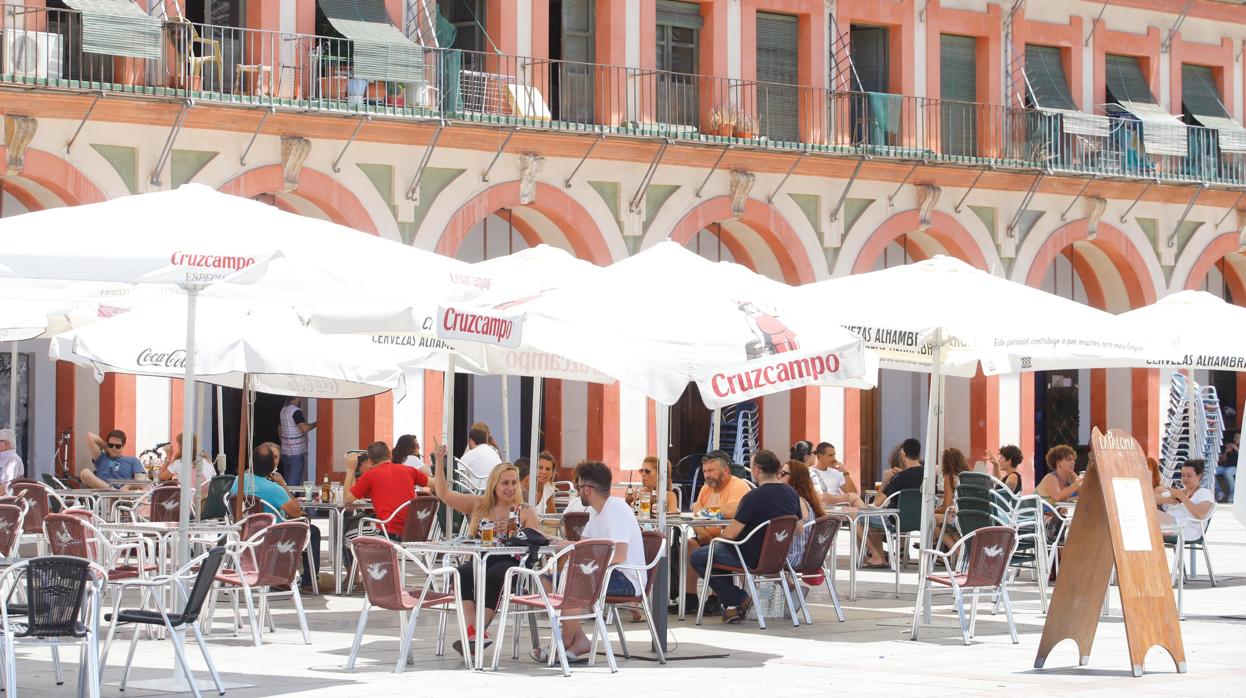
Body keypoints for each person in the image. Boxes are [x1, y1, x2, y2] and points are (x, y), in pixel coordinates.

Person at [532, 460, 645, 663]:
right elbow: (582, 547)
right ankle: (580, 640)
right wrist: (553, 541)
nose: (577, 492)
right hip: (606, 573)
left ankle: (564, 642)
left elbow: (619, 555)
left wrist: (587, 567)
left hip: (626, 578)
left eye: (578, 487)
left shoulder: (616, 509)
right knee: (548, 580)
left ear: (587, 489)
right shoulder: (596, 511)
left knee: (576, 581)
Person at [430, 443, 538, 654]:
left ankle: (477, 633)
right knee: (461, 573)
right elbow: (443, 494)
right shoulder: (479, 504)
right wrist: (440, 462)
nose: (510, 488)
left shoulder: (524, 510)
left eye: (514, 483)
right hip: (481, 560)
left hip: (512, 564)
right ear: (493, 485)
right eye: (505, 483)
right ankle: (474, 634)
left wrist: (515, 533)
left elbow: (536, 539)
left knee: (497, 574)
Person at [689, 449, 801, 623]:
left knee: (699, 556)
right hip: (778, 556)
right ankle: (731, 607)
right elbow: (799, 528)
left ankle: (740, 600)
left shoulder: (753, 497)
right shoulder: (791, 493)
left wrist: (716, 539)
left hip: (749, 556)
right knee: (713, 553)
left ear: (756, 470)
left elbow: (731, 534)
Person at [229, 443, 321, 588]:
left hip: (243, 534)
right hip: (271, 536)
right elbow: (297, 511)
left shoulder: (238, 481)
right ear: (271, 466)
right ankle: (308, 582)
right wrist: (283, 485)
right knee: (313, 531)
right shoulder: (274, 489)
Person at [676, 450, 752, 613]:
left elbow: (733, 510)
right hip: (708, 536)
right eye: (705, 471)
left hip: (733, 540)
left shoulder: (737, 485)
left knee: (714, 548)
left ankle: (715, 598)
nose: (707, 475)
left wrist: (704, 512)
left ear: (726, 470)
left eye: (711, 471)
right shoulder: (706, 488)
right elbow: (695, 514)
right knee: (689, 544)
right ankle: (690, 598)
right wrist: (704, 533)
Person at [345, 440, 429, 538]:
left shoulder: (370, 475)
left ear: (370, 461)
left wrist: (351, 469)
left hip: (387, 533)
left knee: (348, 536)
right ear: (390, 456)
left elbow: (347, 499)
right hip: (412, 534)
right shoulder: (409, 470)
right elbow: (435, 483)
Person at [862, 438, 924, 567]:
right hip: (921, 521)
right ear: (919, 453)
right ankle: (893, 552)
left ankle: (878, 556)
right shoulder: (928, 477)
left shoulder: (900, 477)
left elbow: (877, 503)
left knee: (865, 517)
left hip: (897, 521)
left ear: (903, 453)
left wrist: (885, 480)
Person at [778, 460, 825, 573]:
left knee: (752, 557)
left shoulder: (797, 501)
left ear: (796, 478)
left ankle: (787, 583)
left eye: (783, 473)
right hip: (810, 558)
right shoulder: (807, 500)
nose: (779, 476)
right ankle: (788, 582)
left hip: (794, 558)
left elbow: (790, 531)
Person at [1155, 460, 1215, 543]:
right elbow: (1152, 499)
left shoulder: (1205, 493)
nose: (1185, 478)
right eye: (1183, 475)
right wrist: (1167, 500)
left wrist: (1182, 497)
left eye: (1189, 476)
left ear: (1199, 476)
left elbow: (1201, 514)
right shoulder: (1181, 492)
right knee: (1146, 508)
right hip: (1171, 525)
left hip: (1186, 529)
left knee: (1148, 514)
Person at [82, 430, 147, 489]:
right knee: (85, 472)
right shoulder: (102, 458)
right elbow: (90, 436)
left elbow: (141, 482)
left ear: (123, 446)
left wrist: (129, 485)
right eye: (111, 445)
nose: (114, 448)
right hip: (102, 494)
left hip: (122, 494)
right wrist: (107, 448)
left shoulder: (132, 460)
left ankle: (115, 493)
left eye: (117, 446)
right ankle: (114, 491)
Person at [807, 441, 865, 506]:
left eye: (834, 455)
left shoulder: (837, 472)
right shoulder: (810, 472)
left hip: (839, 505)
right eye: (830, 455)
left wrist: (844, 472)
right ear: (820, 456)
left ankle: (866, 513)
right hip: (822, 505)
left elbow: (853, 493)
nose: (834, 458)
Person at [934, 448, 969, 549]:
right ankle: (957, 553)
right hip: (970, 517)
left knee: (932, 520)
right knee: (944, 526)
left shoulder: (950, 477)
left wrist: (933, 510)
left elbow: (946, 508)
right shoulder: (968, 475)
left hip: (958, 518)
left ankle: (956, 554)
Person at [278, 397, 317, 485]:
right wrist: (317, 423)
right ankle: (291, 494)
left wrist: (285, 442)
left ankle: (286, 493)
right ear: (298, 397)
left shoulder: (283, 410)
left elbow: (280, 430)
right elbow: (304, 428)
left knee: (286, 481)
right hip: (296, 452)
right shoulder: (296, 411)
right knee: (293, 483)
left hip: (285, 451)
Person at [459, 424, 502, 491]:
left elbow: (460, 472)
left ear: (471, 441)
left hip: (478, 492)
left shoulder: (471, 453)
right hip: (496, 489)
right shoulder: (494, 451)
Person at [1216, 431, 1238, 503]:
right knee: (1213, 470)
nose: (1235, 439)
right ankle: (1219, 492)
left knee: (1227, 472)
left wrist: (1237, 449)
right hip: (1225, 467)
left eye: (1237, 437)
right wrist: (1226, 452)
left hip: (1237, 468)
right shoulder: (1229, 446)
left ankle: (1233, 494)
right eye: (1235, 437)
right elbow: (1221, 462)